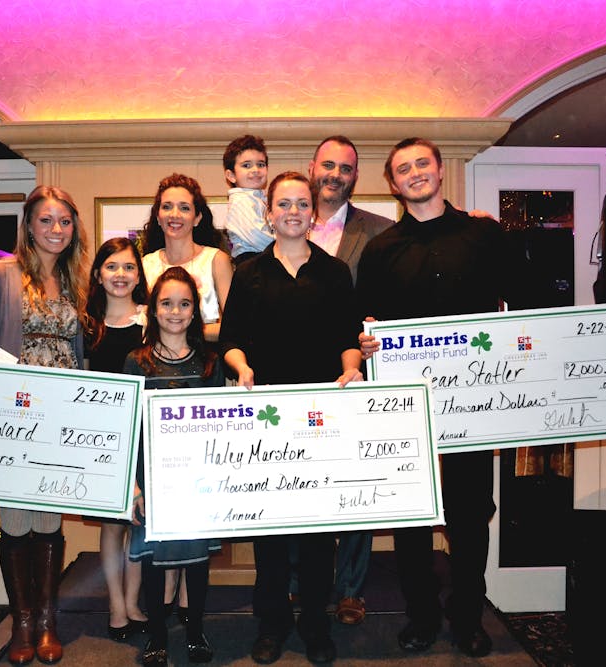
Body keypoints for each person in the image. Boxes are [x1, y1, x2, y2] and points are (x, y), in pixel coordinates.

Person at [356, 137, 522, 658]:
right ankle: (422, 615)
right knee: (410, 518)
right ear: (393, 183)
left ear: (439, 170)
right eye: (403, 169)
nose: (414, 173)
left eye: (421, 163)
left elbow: (533, 302)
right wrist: (364, 341)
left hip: (474, 404)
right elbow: (365, 322)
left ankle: (469, 616)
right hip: (407, 409)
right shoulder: (381, 250)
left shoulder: (484, 234)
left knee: (471, 516)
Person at [220, 171, 364, 664]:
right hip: (267, 420)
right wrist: (240, 368)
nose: (294, 212)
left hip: (323, 418)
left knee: (320, 533)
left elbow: (349, 336)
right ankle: (273, 623)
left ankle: (316, 625)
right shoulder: (249, 275)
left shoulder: (334, 273)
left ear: (312, 212)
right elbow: (231, 339)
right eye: (284, 204)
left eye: (302, 203)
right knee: (272, 532)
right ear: (269, 213)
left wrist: (351, 370)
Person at [0, 185, 91, 666]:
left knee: (49, 523)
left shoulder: (76, 281)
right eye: (46, 220)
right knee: (15, 523)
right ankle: (22, 623)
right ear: (29, 224)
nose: (56, 230)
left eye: (65, 221)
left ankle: (47, 623)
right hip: (12, 419)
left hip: (62, 417)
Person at [307, 135, 394, 625]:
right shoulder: (284, 221)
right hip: (297, 375)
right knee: (299, 477)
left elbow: (391, 305)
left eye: (346, 168)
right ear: (313, 167)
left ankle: (351, 589)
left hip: (358, 375)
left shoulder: (381, 232)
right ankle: (302, 584)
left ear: (355, 177)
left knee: (356, 483)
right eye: (328, 165)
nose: (336, 174)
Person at [124, 266, 225, 665]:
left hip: (197, 480)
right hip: (152, 480)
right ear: (153, 309)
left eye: (184, 304)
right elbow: (129, 428)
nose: (176, 311)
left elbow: (221, 425)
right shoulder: (136, 361)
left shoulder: (209, 363)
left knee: (198, 561)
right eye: (166, 303)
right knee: (152, 560)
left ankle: (197, 631)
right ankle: (157, 635)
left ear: (194, 311)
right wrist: (134, 488)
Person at [84, 237, 150, 642]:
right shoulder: (86, 326)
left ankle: (133, 602)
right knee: (111, 526)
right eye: (112, 267)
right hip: (102, 436)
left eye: (128, 267)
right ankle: (115, 607)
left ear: (139, 275)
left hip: (144, 435)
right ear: (98, 275)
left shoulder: (151, 324)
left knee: (138, 523)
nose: (120, 275)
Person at [140, 173, 234, 343]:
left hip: (206, 360)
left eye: (184, 208)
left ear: (197, 218)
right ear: (158, 217)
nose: (174, 214)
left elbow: (234, 326)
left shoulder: (216, 260)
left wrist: (179, 331)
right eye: (167, 207)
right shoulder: (146, 264)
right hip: (155, 361)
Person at [222, 134, 272, 265]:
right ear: (231, 175)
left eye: (260, 164)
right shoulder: (241, 201)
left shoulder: (259, 199)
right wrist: (288, 245)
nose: (255, 170)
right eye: (246, 165)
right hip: (251, 262)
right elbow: (257, 236)